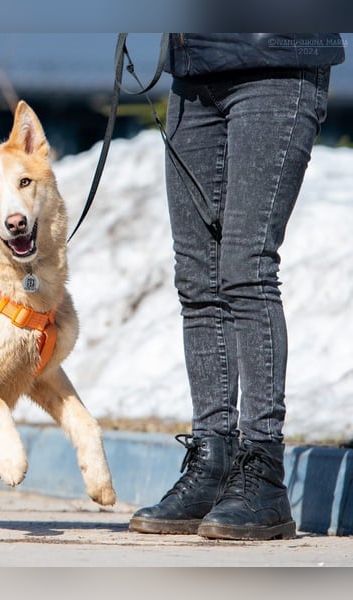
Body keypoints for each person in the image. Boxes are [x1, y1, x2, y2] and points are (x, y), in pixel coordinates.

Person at [129, 33, 345, 540]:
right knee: (196, 278)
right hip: (195, 68)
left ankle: (263, 472)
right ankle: (213, 461)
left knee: (247, 268)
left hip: (278, 60)